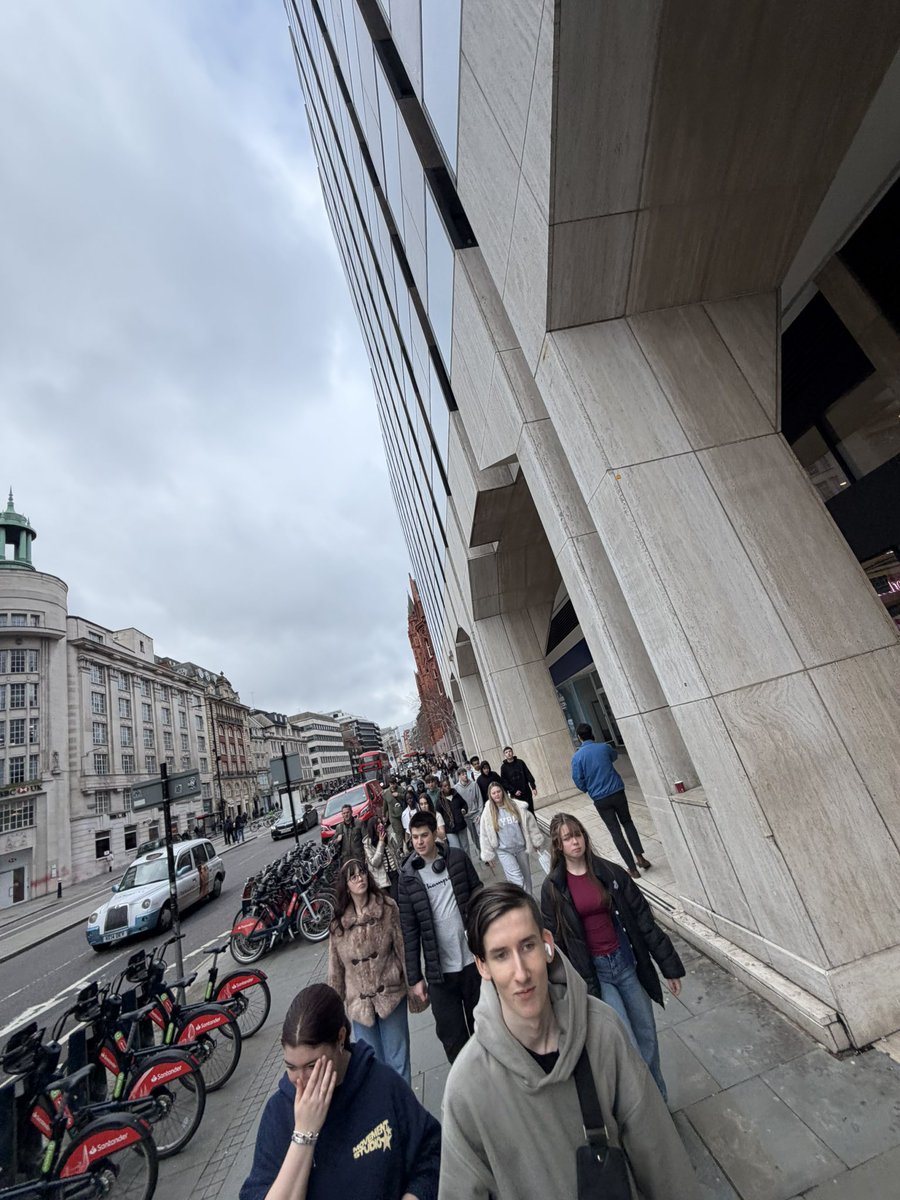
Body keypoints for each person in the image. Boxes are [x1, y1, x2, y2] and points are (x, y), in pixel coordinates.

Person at [439, 883, 696, 1200]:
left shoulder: (601, 1032)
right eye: (501, 955)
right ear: (483, 967)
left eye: (527, 946)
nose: (520, 973)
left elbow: (660, 1157)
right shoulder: (466, 1088)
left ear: (547, 944)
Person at [239, 983, 440, 1200]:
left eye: (312, 1066)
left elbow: (430, 1154)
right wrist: (304, 1134)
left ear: (341, 1038)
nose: (302, 1081)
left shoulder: (382, 1084)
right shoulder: (278, 1113)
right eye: (291, 1067)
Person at [541, 813, 683, 1100]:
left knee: (647, 1036)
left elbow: (643, 920)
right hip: (597, 972)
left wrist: (668, 965)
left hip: (625, 962)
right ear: (558, 845)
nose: (575, 842)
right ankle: (644, 1108)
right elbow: (554, 943)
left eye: (578, 834)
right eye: (568, 838)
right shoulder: (553, 889)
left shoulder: (610, 873)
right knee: (626, 1041)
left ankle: (659, 1099)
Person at [398, 811, 483, 1063]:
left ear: (435, 833)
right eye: (414, 837)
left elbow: (479, 894)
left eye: (424, 835)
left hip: (472, 963)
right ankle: (467, 1088)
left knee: (484, 1026)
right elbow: (409, 930)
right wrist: (415, 978)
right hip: (440, 972)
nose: (420, 842)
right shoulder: (407, 878)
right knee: (452, 1036)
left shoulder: (457, 859)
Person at [328, 861, 411, 1083]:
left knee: (398, 1061)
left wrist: (414, 984)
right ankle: (384, 1112)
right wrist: (333, 1012)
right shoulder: (338, 924)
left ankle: (404, 1112)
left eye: (362, 873)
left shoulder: (387, 908)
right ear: (346, 886)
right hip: (359, 1004)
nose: (360, 879)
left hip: (391, 994)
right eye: (353, 877)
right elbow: (335, 971)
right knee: (372, 1066)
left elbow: (402, 948)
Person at [571, 723, 651, 878]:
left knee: (615, 831)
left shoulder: (577, 757)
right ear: (591, 733)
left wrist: (587, 788)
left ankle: (632, 869)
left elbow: (577, 779)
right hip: (617, 791)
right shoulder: (604, 748)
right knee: (627, 823)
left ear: (579, 737)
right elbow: (614, 756)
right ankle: (640, 857)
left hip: (600, 798)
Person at [479, 782, 545, 892]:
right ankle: (522, 903)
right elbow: (484, 833)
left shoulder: (515, 805)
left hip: (521, 848)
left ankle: (529, 899)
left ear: (503, 792)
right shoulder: (488, 812)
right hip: (504, 851)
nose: (497, 795)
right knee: (517, 880)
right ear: (490, 795)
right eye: (493, 793)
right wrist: (488, 854)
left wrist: (536, 841)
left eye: (498, 791)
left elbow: (530, 824)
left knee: (526, 877)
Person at [363, 817, 400, 900]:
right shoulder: (368, 844)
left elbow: (396, 853)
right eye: (377, 824)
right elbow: (375, 862)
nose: (380, 825)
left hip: (394, 873)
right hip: (382, 879)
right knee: (390, 902)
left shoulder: (389, 835)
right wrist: (381, 842)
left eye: (381, 823)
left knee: (397, 898)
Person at [500, 746, 537, 815]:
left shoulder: (520, 762)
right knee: (521, 813)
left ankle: (534, 825)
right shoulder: (503, 767)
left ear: (512, 752)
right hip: (515, 795)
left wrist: (533, 787)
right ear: (504, 755)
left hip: (526, 791)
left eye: (510, 751)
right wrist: (513, 791)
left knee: (531, 811)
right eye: (506, 752)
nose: (508, 753)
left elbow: (528, 774)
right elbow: (504, 782)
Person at [437, 778, 470, 856]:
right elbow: (438, 815)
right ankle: (461, 867)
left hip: (461, 826)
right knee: (456, 850)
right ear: (441, 788)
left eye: (448, 785)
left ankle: (469, 865)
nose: (447, 787)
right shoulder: (439, 802)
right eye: (445, 786)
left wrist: (464, 810)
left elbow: (464, 804)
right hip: (450, 830)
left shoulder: (456, 795)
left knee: (465, 848)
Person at [454, 767, 482, 853]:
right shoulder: (456, 788)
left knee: (480, 834)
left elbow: (479, 799)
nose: (465, 775)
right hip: (466, 817)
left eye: (465, 773)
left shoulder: (474, 784)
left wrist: (480, 813)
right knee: (474, 836)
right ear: (459, 776)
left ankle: (484, 852)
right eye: (462, 774)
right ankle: (480, 850)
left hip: (476, 814)